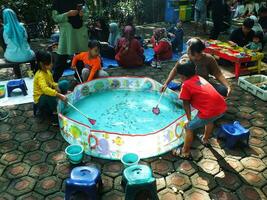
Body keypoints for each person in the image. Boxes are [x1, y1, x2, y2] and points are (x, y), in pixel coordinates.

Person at [171, 61, 227, 159]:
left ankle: (185, 152)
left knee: (189, 127)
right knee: (210, 120)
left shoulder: (186, 85)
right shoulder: (200, 78)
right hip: (221, 108)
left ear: (181, 76)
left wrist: (189, 119)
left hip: (209, 112)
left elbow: (186, 103)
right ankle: (205, 139)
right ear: (195, 70)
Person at [161, 38, 231, 97]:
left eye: (197, 55)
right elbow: (175, 70)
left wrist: (227, 86)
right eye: (191, 54)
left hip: (204, 86)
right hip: (188, 88)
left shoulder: (209, 59)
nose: (194, 58)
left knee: (223, 90)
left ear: (201, 52)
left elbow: (218, 74)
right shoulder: (185, 58)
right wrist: (166, 84)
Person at [52, 0, 89, 82]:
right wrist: (68, 14)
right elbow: (55, 18)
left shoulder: (81, 1)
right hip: (67, 34)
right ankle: (53, 82)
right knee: (61, 57)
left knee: (81, 57)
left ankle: (79, 78)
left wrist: (83, 15)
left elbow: (87, 14)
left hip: (80, 32)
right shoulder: (58, 2)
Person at [33, 51, 68, 117]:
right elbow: (45, 90)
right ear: (42, 64)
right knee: (49, 96)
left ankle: (62, 100)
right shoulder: (40, 75)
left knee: (65, 83)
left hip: (48, 91)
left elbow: (51, 82)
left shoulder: (48, 71)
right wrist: (58, 95)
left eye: (52, 62)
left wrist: (55, 86)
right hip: (40, 98)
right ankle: (55, 113)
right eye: (49, 63)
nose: (52, 64)